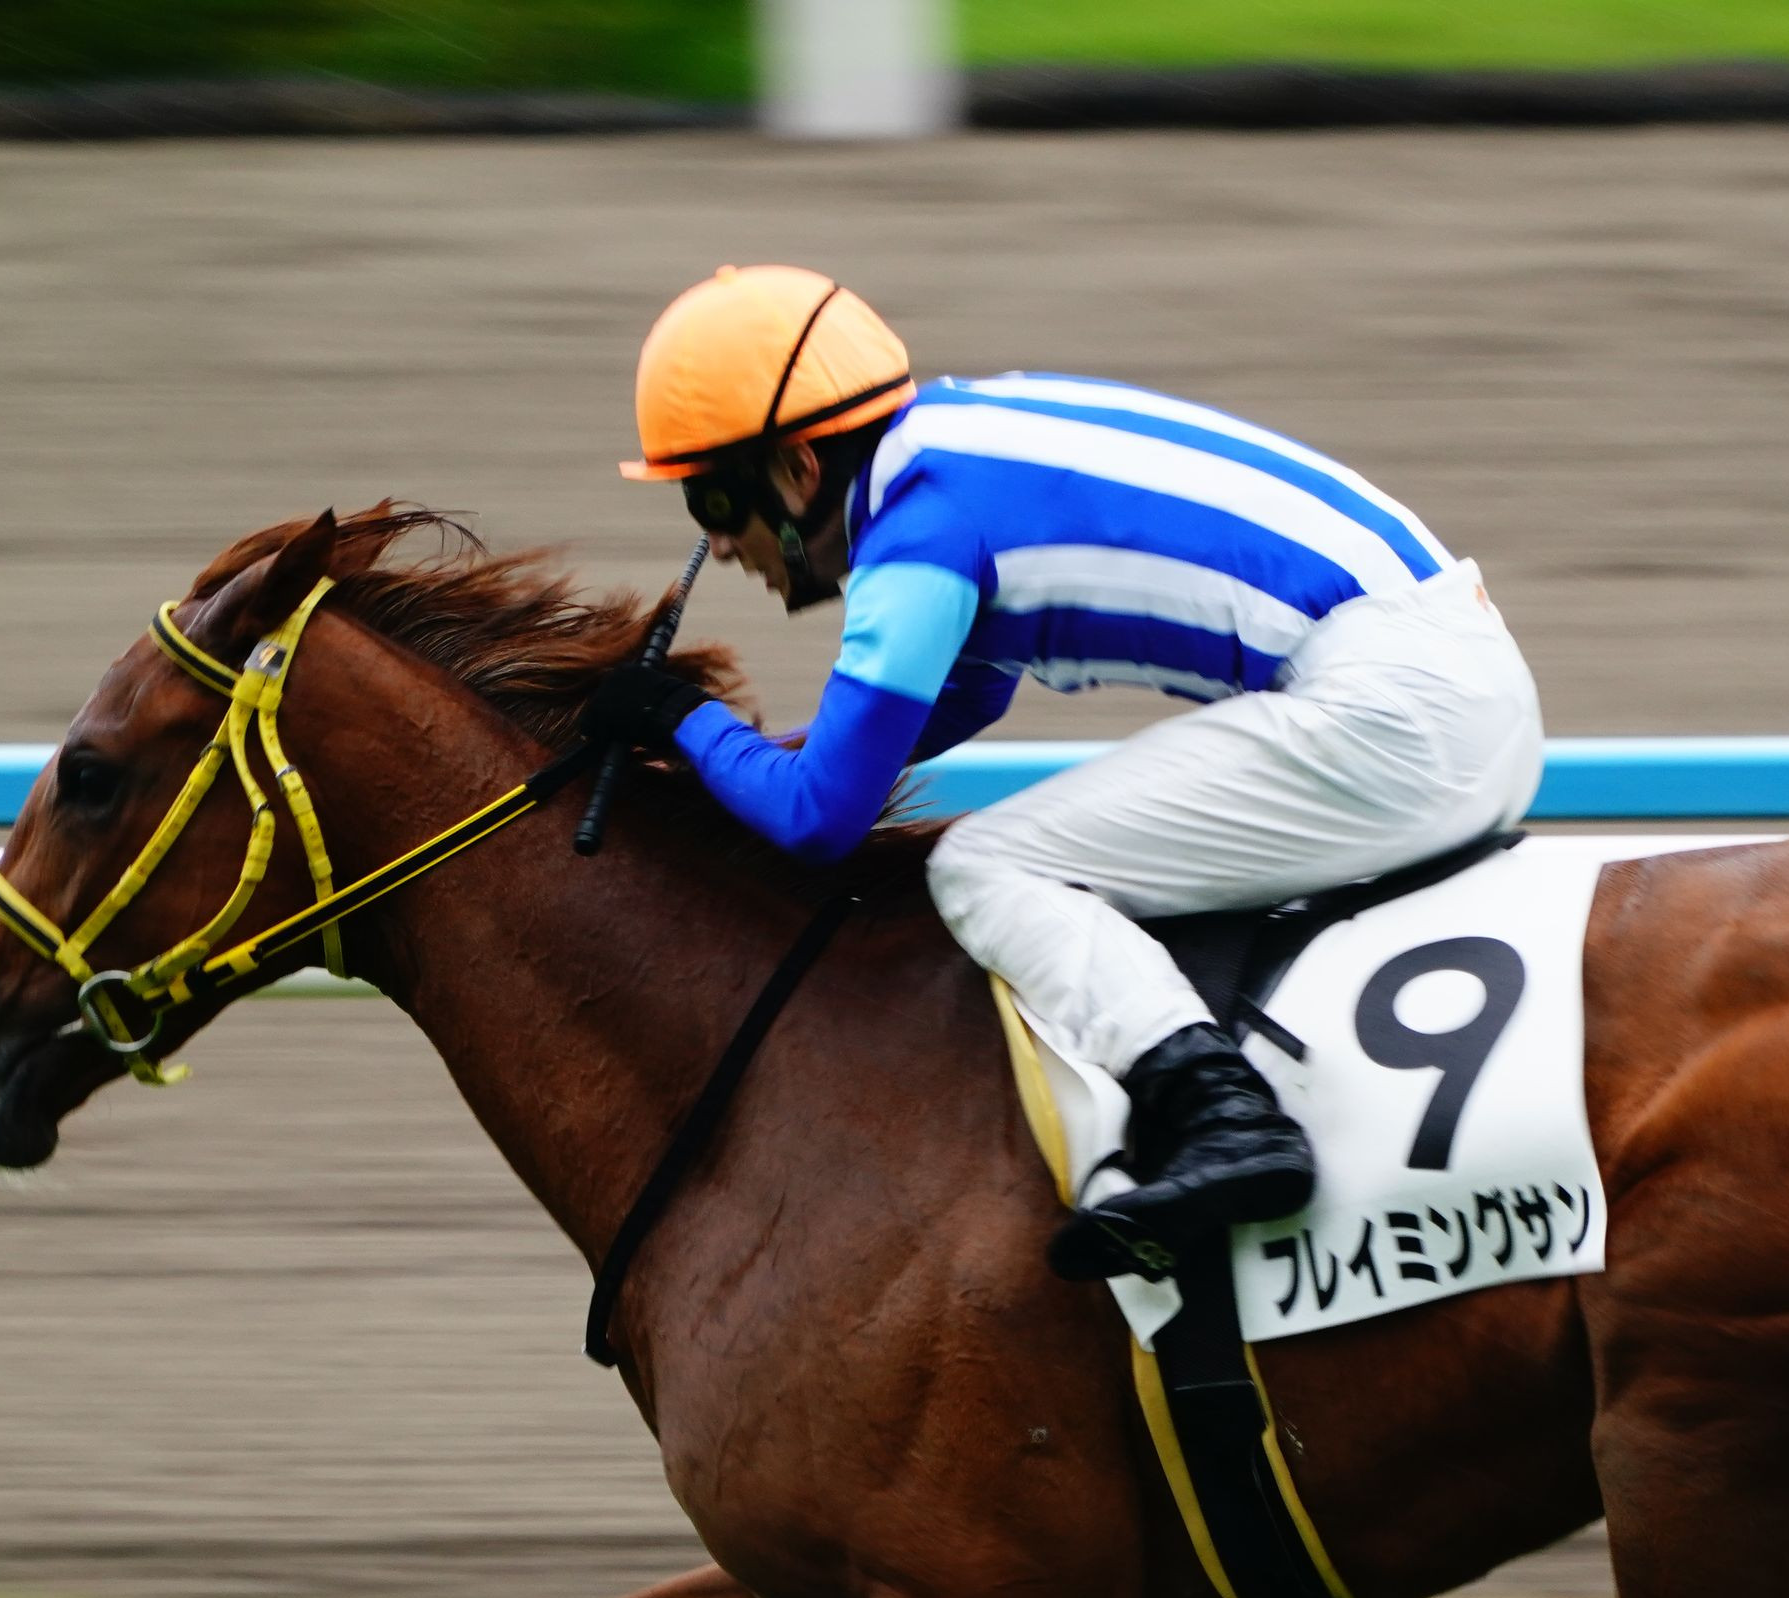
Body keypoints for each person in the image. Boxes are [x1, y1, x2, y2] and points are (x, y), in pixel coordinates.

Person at [578, 264, 1543, 1283]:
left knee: (985, 866)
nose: (717, 543)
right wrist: (727, 758)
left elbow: (821, 818)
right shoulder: (955, 447)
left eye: (714, 498)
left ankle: (1222, 1117)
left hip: (1401, 715)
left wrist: (682, 720)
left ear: (798, 468)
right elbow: (964, 699)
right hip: (1450, 683)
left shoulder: (919, 536)